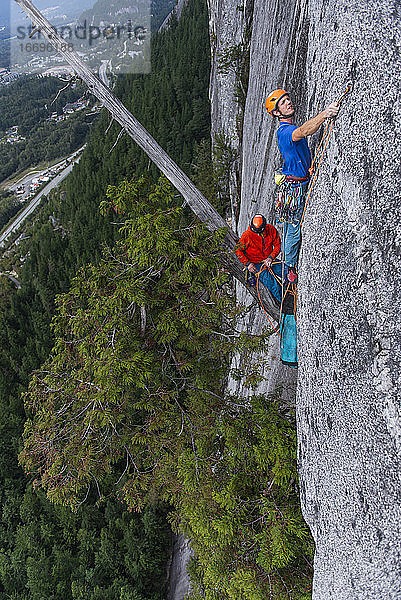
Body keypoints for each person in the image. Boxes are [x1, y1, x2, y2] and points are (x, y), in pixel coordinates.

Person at [265, 89, 339, 282]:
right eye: (282, 103)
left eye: (288, 99)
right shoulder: (285, 131)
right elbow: (304, 131)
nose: (288, 103)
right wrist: (324, 114)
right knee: (294, 227)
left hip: (296, 182)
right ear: (276, 113)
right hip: (294, 188)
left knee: (291, 226)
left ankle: (288, 263)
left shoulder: (288, 128)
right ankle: (289, 267)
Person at [235, 214, 282, 304]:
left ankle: (293, 290)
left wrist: (271, 257)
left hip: (269, 259)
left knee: (286, 271)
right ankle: (285, 302)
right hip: (256, 264)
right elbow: (238, 251)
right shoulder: (247, 235)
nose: (258, 234)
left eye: (260, 232)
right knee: (273, 284)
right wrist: (248, 263)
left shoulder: (271, 229)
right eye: (256, 232)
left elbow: (277, 245)